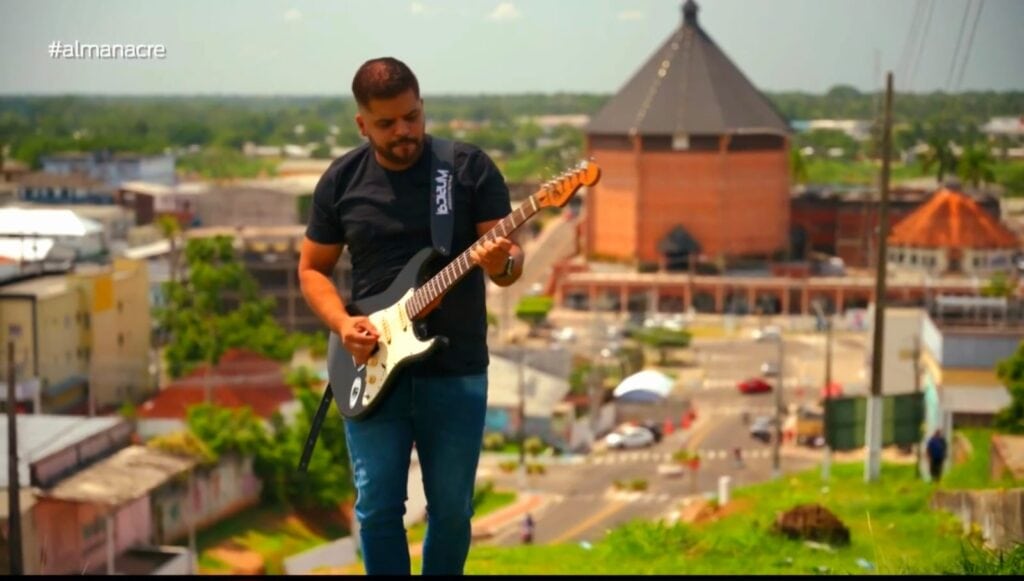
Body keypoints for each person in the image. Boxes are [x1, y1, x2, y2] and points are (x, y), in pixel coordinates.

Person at [298, 57, 524, 575]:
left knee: (451, 510)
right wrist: (341, 324)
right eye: (387, 123)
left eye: (412, 116)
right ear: (362, 124)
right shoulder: (341, 181)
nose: (404, 131)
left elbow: (509, 264)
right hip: (371, 366)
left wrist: (502, 261)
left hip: (457, 367)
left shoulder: (467, 170)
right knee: (377, 510)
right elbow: (312, 269)